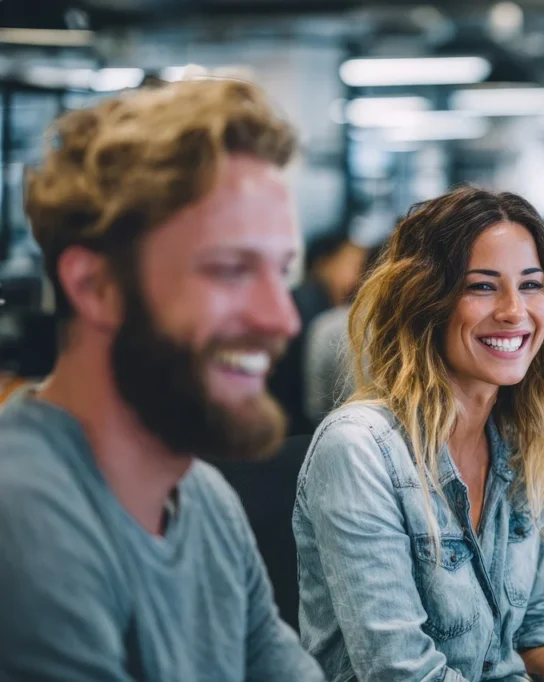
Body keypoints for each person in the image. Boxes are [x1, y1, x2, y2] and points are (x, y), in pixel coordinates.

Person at [0, 78, 324, 681]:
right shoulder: (24, 517)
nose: (281, 317)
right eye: (231, 270)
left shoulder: (202, 498)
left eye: (281, 272)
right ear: (96, 287)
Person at [293, 187, 544, 682]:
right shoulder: (360, 449)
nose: (515, 310)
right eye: (482, 286)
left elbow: (540, 628)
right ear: (425, 300)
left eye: (531, 285)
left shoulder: (527, 437)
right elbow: (401, 673)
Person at [269, 232, 370, 435]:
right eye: (353, 265)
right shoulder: (311, 309)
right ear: (324, 264)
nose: (359, 276)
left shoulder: (315, 303)